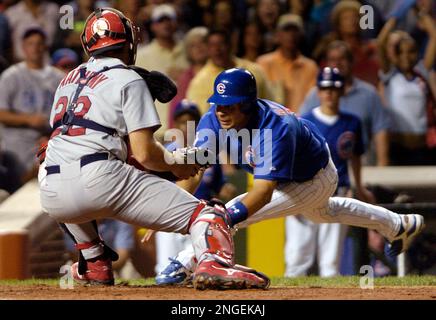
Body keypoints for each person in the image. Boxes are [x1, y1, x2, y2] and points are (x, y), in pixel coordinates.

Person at [38, 8, 268, 290]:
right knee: (208, 214)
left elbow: (102, 144)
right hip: (99, 177)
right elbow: (145, 154)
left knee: (69, 187)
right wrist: (175, 163)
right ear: (128, 42)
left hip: (50, 185)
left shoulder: (67, 78)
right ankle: (215, 264)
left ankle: (94, 261)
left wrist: (175, 159)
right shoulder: (130, 79)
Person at [156, 67, 425, 285]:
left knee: (227, 215)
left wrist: (223, 218)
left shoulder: (275, 128)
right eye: (218, 104)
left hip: (315, 176)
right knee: (323, 213)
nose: (221, 111)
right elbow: (196, 168)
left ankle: (185, 262)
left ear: (248, 104)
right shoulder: (214, 119)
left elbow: (262, 194)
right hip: (291, 177)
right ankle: (398, 224)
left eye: (230, 105)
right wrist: (177, 206)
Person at [285, 67, 373, 277]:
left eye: (333, 88)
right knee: (297, 258)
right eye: (325, 88)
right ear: (318, 91)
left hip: (337, 190)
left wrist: (357, 187)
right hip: (303, 191)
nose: (329, 93)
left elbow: (355, 157)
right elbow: (291, 158)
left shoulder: (352, 122)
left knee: (330, 262)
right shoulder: (303, 121)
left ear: (342, 90)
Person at [155, 100, 237, 281]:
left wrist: (224, 189)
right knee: (165, 269)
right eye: (182, 122)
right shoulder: (164, 155)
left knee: (198, 269)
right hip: (169, 216)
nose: (186, 127)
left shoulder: (207, 154)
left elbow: (217, 186)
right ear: (175, 124)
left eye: (191, 122)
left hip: (198, 219)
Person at [301, 41, 390, 166]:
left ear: (351, 62)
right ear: (326, 63)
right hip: (322, 165)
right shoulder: (316, 93)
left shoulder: (369, 93)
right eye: (332, 59)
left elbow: (380, 130)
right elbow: (302, 131)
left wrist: (383, 165)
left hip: (360, 162)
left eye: (342, 58)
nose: (337, 63)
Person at [0, 28, 65, 185]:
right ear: (23, 47)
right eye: (30, 44)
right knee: (19, 186)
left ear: (45, 47)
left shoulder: (59, 77)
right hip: (18, 142)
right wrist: (28, 119)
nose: (35, 48)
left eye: (39, 44)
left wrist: (51, 137)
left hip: (50, 140)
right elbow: (1, 113)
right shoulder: (11, 75)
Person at [377, 13, 436, 165]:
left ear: (417, 53)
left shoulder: (421, 72)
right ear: (393, 55)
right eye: (400, 51)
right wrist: (395, 16)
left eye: (411, 51)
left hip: (423, 146)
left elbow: (434, 37)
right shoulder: (389, 74)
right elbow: (380, 43)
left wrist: (422, 13)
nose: (405, 56)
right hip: (397, 147)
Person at [186, 29, 272, 114]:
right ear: (207, 49)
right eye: (212, 45)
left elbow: (270, 104)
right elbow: (200, 117)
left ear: (230, 45)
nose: (217, 49)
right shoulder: (198, 82)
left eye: (221, 44)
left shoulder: (255, 70)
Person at [257, 13, 318, 112]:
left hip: (301, 124)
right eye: (286, 30)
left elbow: (313, 103)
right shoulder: (263, 63)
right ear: (278, 35)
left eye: (295, 30)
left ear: (301, 35)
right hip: (271, 123)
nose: (291, 35)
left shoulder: (311, 67)